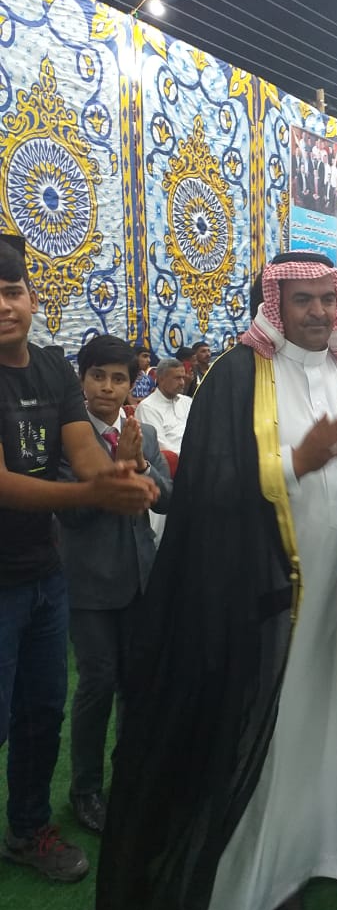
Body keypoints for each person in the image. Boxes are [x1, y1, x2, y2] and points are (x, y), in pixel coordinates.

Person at [96, 251, 337, 910]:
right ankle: (259, 866)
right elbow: (206, 488)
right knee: (264, 725)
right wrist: (295, 462)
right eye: (302, 300)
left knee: (325, 717)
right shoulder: (236, 376)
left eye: (326, 299)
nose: (318, 312)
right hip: (260, 595)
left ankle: (315, 844)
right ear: (274, 304)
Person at [0, 243, 157, 883]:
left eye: (11, 291)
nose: (3, 306)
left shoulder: (50, 368)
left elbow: (83, 455)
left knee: (42, 712)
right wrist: (97, 494)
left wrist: (117, 473)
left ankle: (29, 830)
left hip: (45, 573)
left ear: (32, 297)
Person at [57, 336, 172, 835]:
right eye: (98, 376)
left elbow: (169, 498)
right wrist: (118, 471)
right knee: (98, 683)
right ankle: (85, 789)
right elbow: (72, 513)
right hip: (89, 584)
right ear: (82, 380)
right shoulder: (68, 435)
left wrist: (140, 465)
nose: (107, 387)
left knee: (136, 683)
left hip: (141, 577)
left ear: (132, 385)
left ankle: (130, 775)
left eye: (118, 378)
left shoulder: (142, 434)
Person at [134, 358, 192, 455]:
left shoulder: (187, 401)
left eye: (183, 377)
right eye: (177, 378)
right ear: (161, 379)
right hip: (178, 459)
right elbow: (160, 447)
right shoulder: (148, 407)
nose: (182, 382)